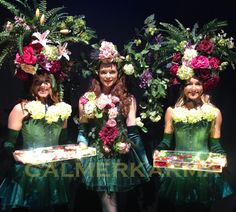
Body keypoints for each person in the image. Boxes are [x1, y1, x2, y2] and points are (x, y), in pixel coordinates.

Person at [76, 41, 151, 212]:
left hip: (120, 154)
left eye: (112, 71)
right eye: (104, 72)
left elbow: (132, 132)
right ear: (97, 72)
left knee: (116, 203)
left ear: (119, 73)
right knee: (108, 204)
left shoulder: (128, 99)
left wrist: (143, 159)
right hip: (98, 155)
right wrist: (81, 150)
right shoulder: (86, 100)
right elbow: (83, 131)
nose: (108, 75)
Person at [153, 76, 234, 211]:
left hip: (203, 171)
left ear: (204, 87)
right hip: (179, 170)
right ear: (182, 87)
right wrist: (159, 150)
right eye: (188, 84)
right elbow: (166, 141)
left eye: (198, 84)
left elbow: (215, 144)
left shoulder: (214, 113)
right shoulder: (172, 112)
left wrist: (222, 155)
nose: (193, 88)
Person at [0, 71, 72, 212]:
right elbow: (9, 143)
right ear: (31, 85)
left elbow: (63, 142)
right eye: (38, 82)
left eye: (47, 82)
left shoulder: (62, 109)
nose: (43, 86)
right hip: (29, 173)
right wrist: (14, 154)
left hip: (54, 173)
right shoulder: (20, 109)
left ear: (53, 84)